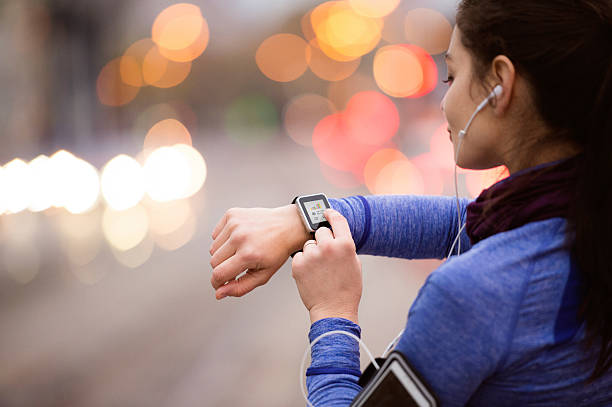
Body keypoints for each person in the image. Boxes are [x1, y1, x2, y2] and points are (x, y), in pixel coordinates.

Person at [209, 0, 612, 404]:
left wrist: (332, 313)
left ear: (500, 84)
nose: (443, 102)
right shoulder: (582, 214)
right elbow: (464, 223)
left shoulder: (473, 295)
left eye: (451, 76)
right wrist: (306, 218)